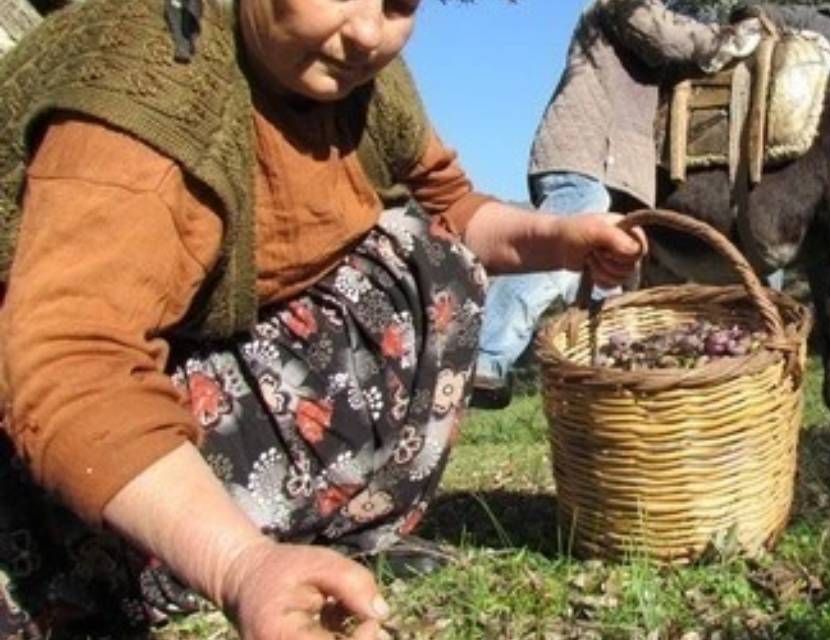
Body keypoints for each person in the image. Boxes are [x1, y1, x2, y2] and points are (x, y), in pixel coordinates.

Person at [0, 0, 645, 638]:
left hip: (203, 359)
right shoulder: (150, 83)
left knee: (429, 259)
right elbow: (68, 364)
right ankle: (140, 567)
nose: (367, 30)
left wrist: (561, 239)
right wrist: (238, 565)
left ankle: (341, 541)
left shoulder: (366, 85)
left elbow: (453, 208)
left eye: (398, 3)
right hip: (53, 447)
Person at [471, 0, 765, 409]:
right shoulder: (620, 6)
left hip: (616, 168)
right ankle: (483, 357)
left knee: (612, 271)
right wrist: (732, 37)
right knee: (559, 245)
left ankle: (604, 385)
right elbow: (667, 36)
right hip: (584, 153)